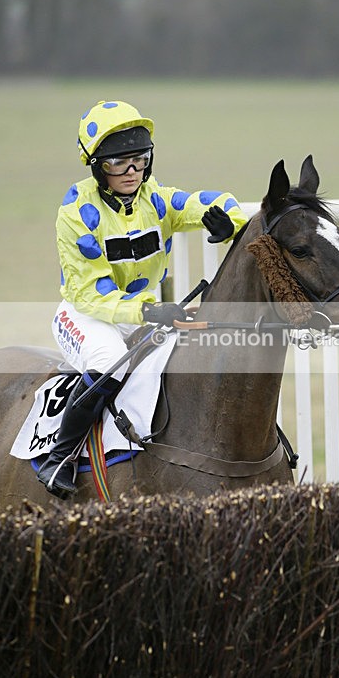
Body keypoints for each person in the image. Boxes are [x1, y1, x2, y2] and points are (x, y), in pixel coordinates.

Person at [37, 99, 248, 497]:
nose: (132, 171)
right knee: (107, 362)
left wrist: (228, 220)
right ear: (97, 165)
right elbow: (91, 292)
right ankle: (59, 458)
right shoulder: (76, 212)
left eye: (139, 159)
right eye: (118, 163)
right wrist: (150, 310)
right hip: (88, 315)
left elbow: (215, 200)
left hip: (146, 315)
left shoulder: (157, 199)